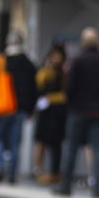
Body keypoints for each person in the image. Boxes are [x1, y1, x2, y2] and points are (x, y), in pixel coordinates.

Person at [56, 28, 99, 198]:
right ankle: (97, 186)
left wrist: (73, 103)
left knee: (71, 148)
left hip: (78, 110)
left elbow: (69, 87)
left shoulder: (78, 61)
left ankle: (65, 185)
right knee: (97, 149)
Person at [0, 34, 38, 184]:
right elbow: (33, 89)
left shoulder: (1, 62)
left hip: (1, 108)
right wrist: (30, 109)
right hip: (19, 109)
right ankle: (11, 174)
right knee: (15, 142)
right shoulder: (28, 63)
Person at [33, 46, 68, 183]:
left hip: (58, 113)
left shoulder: (64, 73)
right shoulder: (44, 72)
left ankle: (54, 171)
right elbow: (38, 87)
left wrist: (52, 98)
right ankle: (37, 169)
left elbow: (66, 93)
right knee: (40, 140)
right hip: (45, 112)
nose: (56, 59)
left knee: (55, 143)